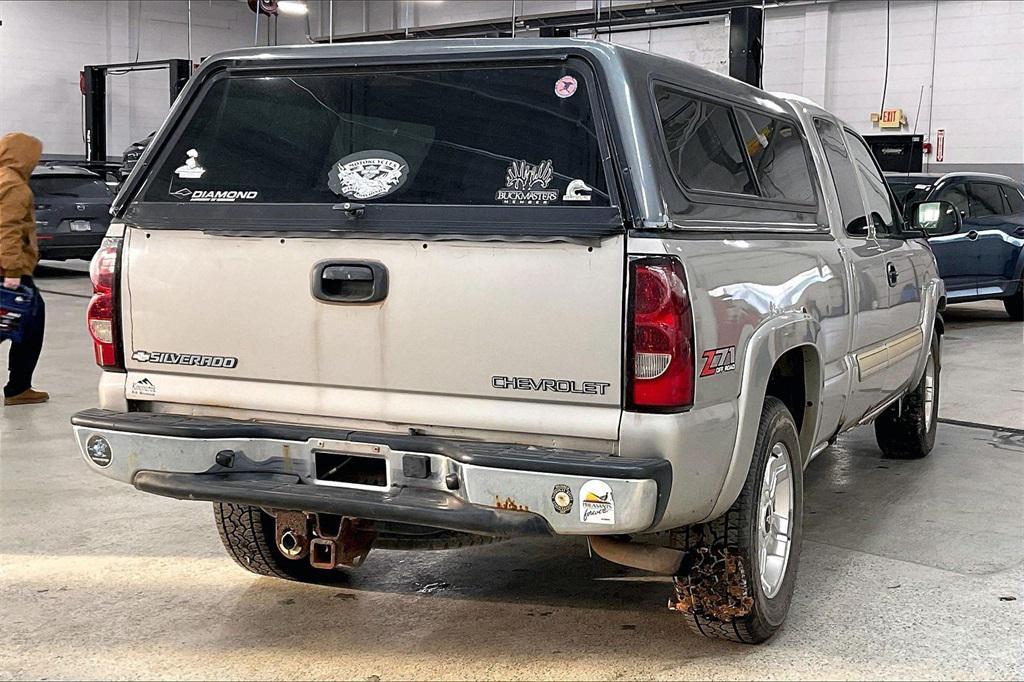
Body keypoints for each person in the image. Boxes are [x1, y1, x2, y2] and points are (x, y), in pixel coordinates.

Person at [0, 132, 48, 406]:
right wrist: (13, 271)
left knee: (17, 321)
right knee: (29, 322)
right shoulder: (14, 185)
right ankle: (18, 387)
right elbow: (7, 230)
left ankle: (19, 385)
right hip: (9, 271)